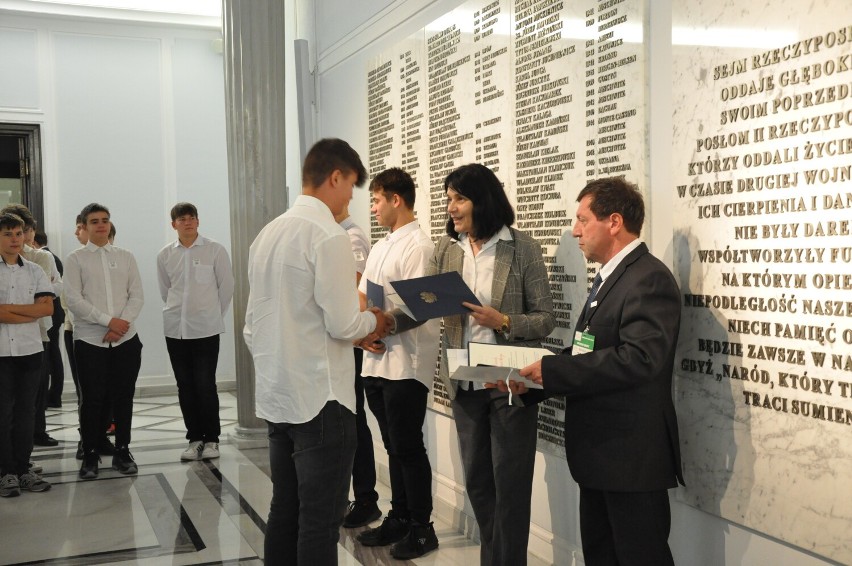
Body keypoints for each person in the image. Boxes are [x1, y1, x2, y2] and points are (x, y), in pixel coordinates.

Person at [391, 163, 555, 565]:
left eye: (458, 198)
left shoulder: (523, 248)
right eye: (448, 199)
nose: (450, 207)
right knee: (480, 485)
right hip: (465, 385)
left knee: (511, 488)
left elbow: (546, 317)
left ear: (482, 200)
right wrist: (381, 324)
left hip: (509, 385)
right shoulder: (449, 250)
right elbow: (421, 306)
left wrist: (501, 321)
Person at [517, 177, 683, 566]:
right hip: (600, 455)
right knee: (602, 554)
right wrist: (531, 380)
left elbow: (641, 359)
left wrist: (553, 371)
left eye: (582, 219)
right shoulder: (611, 276)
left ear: (613, 221)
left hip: (630, 457)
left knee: (640, 556)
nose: (574, 231)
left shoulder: (649, 277)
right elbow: (585, 352)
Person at [244, 138, 389, 565]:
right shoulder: (327, 235)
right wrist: (376, 323)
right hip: (322, 402)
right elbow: (345, 324)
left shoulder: (267, 234)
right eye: (351, 187)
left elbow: (253, 328)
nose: (349, 200)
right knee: (321, 522)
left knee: (284, 511)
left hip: (278, 397)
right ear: (335, 176)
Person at [354, 168, 440, 558]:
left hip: (406, 361)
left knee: (408, 446)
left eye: (375, 200)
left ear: (396, 199)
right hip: (375, 360)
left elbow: (419, 307)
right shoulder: (381, 245)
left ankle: (422, 527)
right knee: (391, 444)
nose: (372, 208)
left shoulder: (419, 246)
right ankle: (400, 515)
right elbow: (363, 294)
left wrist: (377, 329)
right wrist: (362, 332)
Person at [65, 203, 144, 480]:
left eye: (105, 220)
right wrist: (107, 321)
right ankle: (90, 454)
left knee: (123, 397)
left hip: (126, 339)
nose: (101, 225)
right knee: (93, 399)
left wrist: (120, 326)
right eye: (95, 221)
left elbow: (136, 296)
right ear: (84, 227)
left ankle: (123, 451)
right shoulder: (75, 259)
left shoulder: (125, 256)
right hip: (90, 340)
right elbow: (73, 300)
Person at [157, 202, 234, 461]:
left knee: (205, 384)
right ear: (174, 224)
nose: (188, 222)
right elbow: (165, 290)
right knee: (185, 386)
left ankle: (212, 439)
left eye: (192, 218)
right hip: (175, 329)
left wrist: (210, 315)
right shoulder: (165, 255)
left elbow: (226, 289)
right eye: (182, 219)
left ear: (198, 222)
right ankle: (194, 438)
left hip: (206, 330)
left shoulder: (215, 250)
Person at [0, 212, 54, 497]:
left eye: (18, 234)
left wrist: (9, 312)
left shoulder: (34, 270)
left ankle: (23, 469)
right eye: (8, 234)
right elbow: (34, 309)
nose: (15, 239)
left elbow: (46, 309)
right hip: (1, 353)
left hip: (30, 350)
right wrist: (27, 312)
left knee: (26, 412)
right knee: (3, 413)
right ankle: (5, 471)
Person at [335, 204, 382, 529]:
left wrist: (356, 333)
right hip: (340, 339)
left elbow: (353, 291)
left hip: (350, 339)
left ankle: (366, 499)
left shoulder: (351, 237)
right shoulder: (330, 235)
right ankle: (352, 495)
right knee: (344, 419)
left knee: (354, 420)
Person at [33, 231, 66, 409]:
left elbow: (53, 287)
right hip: (52, 313)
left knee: (51, 356)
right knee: (53, 355)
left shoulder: (47, 258)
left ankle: (53, 396)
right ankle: (52, 396)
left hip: (51, 313)